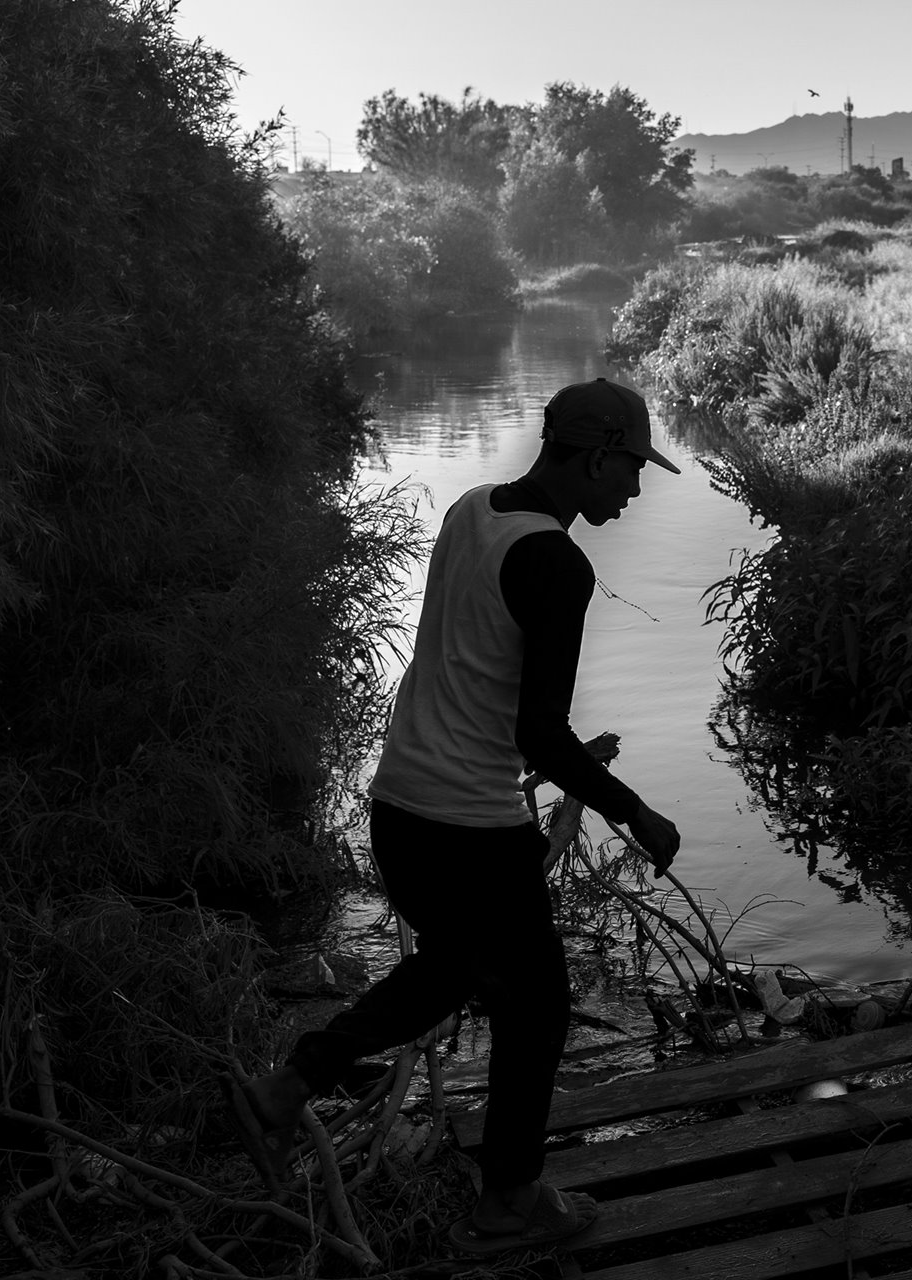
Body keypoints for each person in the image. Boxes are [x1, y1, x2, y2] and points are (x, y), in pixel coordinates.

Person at [225, 377, 683, 1255]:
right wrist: (635, 812)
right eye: (630, 471)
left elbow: (480, 673)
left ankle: (286, 1089)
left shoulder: (474, 508)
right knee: (538, 1003)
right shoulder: (558, 564)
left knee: (460, 972)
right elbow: (539, 734)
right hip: (469, 827)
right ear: (594, 458)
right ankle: (508, 1202)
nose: (632, 489)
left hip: (400, 808)